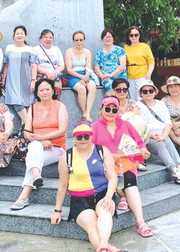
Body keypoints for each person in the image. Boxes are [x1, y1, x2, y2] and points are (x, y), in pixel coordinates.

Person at [50, 123, 120, 252]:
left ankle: (103, 245)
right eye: (79, 137)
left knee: (104, 213)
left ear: (91, 137)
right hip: (80, 199)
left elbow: (113, 177)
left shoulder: (101, 150)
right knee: (92, 225)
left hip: (103, 194)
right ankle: (108, 248)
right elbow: (63, 185)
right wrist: (57, 211)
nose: (83, 140)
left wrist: (109, 196)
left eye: (86, 137)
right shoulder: (67, 156)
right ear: (74, 138)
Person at [91, 97, 153, 238]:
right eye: (107, 109)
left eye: (114, 109)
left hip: (127, 162)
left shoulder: (126, 124)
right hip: (105, 163)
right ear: (101, 109)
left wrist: (143, 150)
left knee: (130, 182)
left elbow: (139, 142)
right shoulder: (94, 127)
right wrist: (107, 155)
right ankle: (122, 196)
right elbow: (89, 149)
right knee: (111, 174)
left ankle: (140, 222)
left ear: (118, 111)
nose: (111, 112)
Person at [10, 77, 69, 210]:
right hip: (38, 145)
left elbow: (62, 130)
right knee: (35, 147)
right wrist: (40, 141)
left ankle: (24, 196)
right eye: (41, 90)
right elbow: (27, 132)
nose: (44, 92)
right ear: (36, 93)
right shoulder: (33, 108)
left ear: (53, 91)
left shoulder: (60, 106)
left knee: (33, 155)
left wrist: (42, 137)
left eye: (47, 89)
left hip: (57, 148)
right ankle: (36, 177)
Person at [137, 81, 180, 184]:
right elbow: (140, 125)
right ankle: (174, 171)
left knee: (169, 143)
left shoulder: (161, 104)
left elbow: (167, 122)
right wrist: (153, 136)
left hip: (162, 134)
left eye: (150, 90)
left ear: (155, 92)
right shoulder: (137, 105)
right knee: (161, 145)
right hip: (147, 136)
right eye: (145, 91)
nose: (148, 93)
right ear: (141, 93)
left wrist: (163, 136)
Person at [2, 25, 38, 127]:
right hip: (12, 79)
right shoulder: (9, 48)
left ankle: (24, 132)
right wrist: (4, 78)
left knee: (26, 103)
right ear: (13, 36)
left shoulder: (30, 49)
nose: (19, 35)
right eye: (17, 33)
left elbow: (34, 66)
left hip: (26, 79)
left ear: (25, 36)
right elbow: (6, 65)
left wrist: (33, 80)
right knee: (15, 100)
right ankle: (30, 126)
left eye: (21, 33)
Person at [111, 78, 149, 172]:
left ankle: (136, 159)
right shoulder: (110, 103)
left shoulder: (132, 103)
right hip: (116, 130)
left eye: (125, 89)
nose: (122, 92)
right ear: (114, 91)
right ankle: (135, 160)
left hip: (132, 130)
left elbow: (136, 117)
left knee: (136, 128)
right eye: (119, 90)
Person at [65, 31, 97, 123]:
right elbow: (69, 69)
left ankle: (88, 112)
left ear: (84, 40)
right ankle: (84, 113)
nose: (79, 42)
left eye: (81, 40)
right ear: (73, 41)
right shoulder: (69, 52)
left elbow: (88, 66)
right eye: (77, 40)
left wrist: (86, 77)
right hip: (73, 75)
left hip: (86, 74)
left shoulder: (87, 52)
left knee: (92, 86)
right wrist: (81, 77)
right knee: (81, 89)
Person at [124, 26, 154, 100]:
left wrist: (149, 74)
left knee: (141, 98)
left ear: (139, 35)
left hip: (142, 76)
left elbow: (151, 61)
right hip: (130, 76)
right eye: (131, 35)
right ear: (128, 36)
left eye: (136, 35)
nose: (134, 37)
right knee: (132, 99)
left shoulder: (145, 47)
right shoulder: (126, 47)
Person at [93, 29, 127, 93]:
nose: (107, 39)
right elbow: (96, 68)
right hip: (105, 78)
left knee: (120, 87)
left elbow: (123, 66)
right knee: (108, 84)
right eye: (105, 37)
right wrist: (103, 76)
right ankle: (112, 101)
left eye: (110, 37)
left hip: (119, 76)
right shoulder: (99, 52)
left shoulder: (120, 50)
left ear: (113, 39)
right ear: (102, 39)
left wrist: (111, 75)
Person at [33, 29, 65, 96]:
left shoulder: (56, 49)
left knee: (57, 94)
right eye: (45, 37)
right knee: (43, 95)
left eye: (50, 37)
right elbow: (34, 65)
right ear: (41, 39)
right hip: (41, 76)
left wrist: (54, 73)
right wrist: (47, 73)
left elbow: (62, 65)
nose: (48, 39)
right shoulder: (35, 49)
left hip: (55, 76)